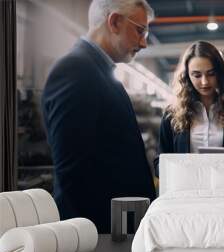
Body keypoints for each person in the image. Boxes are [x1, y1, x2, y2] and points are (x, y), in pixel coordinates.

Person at [41, 0, 156, 233]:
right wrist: (96, 239)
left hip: (115, 227)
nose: (143, 43)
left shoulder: (98, 71)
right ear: (114, 22)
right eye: (140, 30)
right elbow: (72, 173)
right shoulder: (75, 71)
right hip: (99, 232)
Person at [154, 41, 224, 176]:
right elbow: (159, 163)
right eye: (196, 75)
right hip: (186, 192)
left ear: (219, 73)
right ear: (186, 76)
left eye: (211, 73)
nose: (204, 82)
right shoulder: (171, 114)